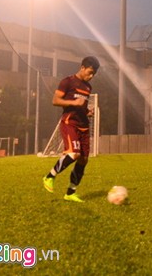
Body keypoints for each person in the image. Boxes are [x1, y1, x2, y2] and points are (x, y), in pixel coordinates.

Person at [42, 56, 100, 203]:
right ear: (82, 67)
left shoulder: (88, 87)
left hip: (84, 125)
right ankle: (49, 176)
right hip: (70, 122)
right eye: (90, 72)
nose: (91, 76)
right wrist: (73, 102)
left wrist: (88, 112)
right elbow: (55, 101)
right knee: (73, 153)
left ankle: (70, 192)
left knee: (83, 160)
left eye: (94, 74)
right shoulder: (67, 81)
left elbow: (82, 106)